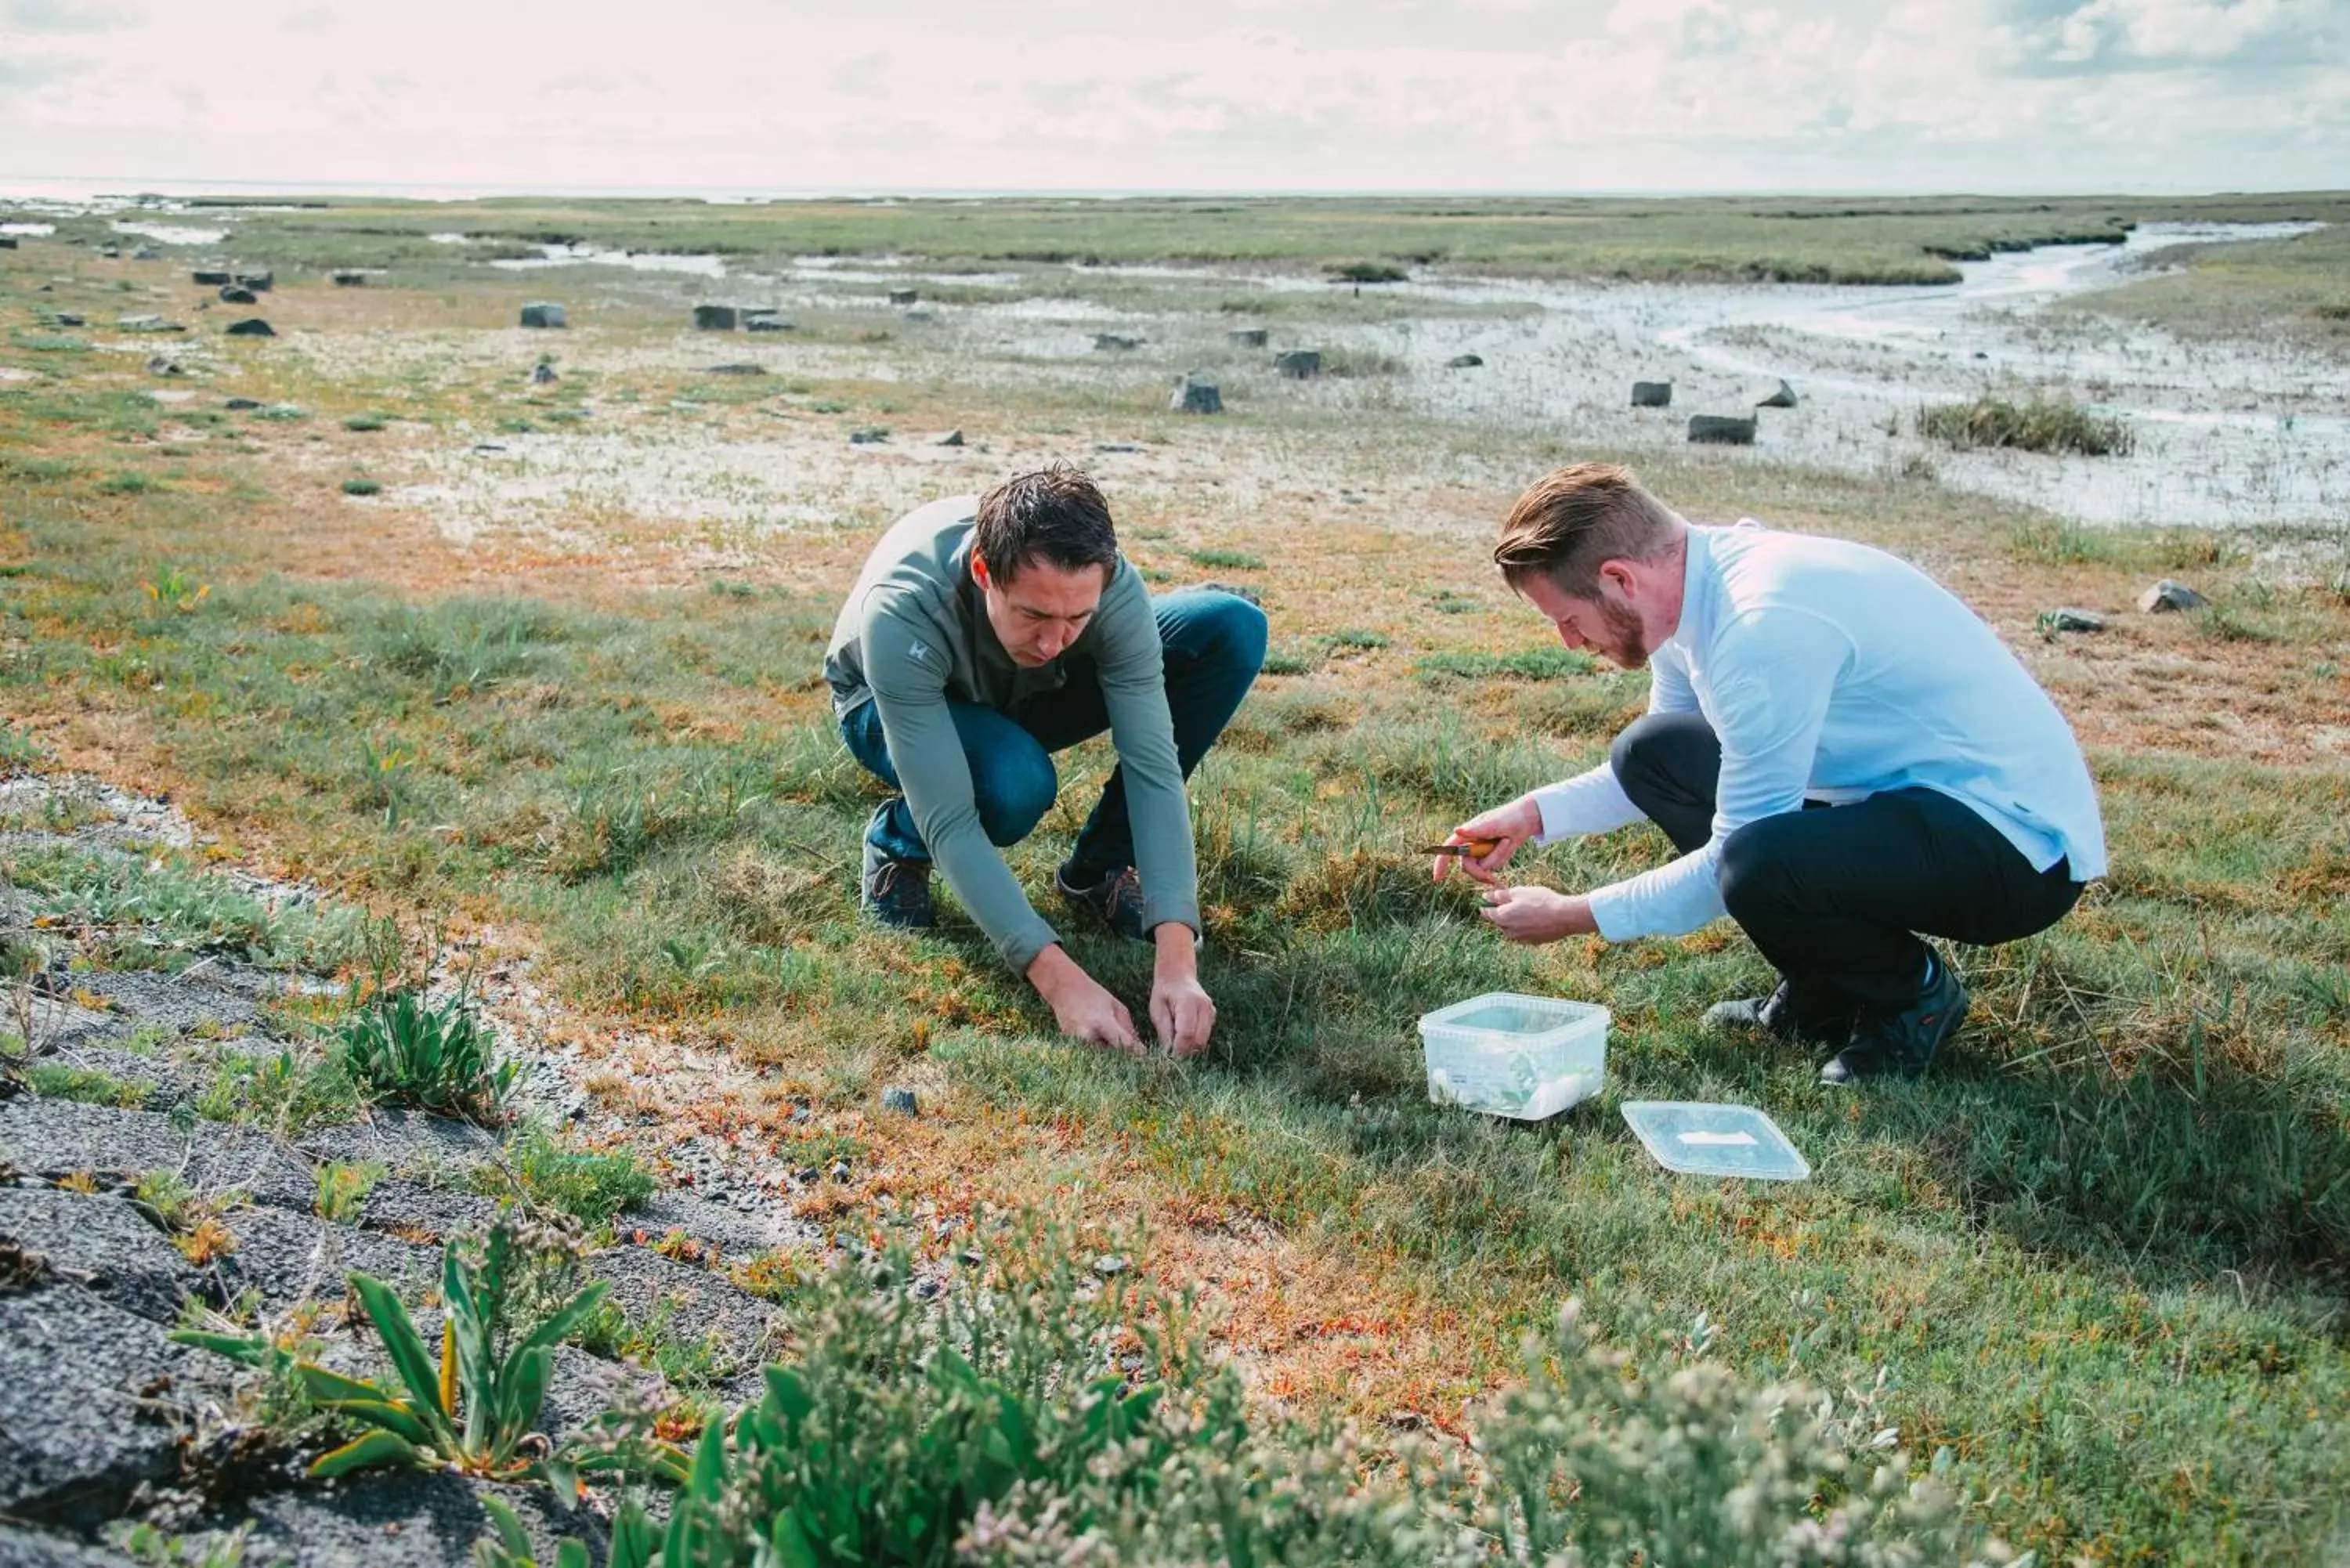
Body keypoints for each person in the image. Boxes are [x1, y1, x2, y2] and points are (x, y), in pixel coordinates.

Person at [1436, 463, 2105, 1083]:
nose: (1570, 643)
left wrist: (1576, 915)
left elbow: (1733, 859)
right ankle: (1825, 990)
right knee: (1655, 752)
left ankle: (1912, 997)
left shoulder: (1760, 629)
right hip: (1912, 804)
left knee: (1759, 861)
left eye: (1568, 620)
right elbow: (1667, 771)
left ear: (1619, 579)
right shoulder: (1684, 594)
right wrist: (1531, 816)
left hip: (2017, 852)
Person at [825, 466, 1267, 1058]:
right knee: (1012, 784)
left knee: (1230, 627)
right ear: (985, 572)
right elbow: (953, 819)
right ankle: (897, 840)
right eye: (1034, 615)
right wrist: (1059, 980)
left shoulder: (1107, 589)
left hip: (1019, 689)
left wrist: (1177, 959)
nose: (1055, 641)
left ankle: (1098, 872)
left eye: (1077, 620)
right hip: (889, 700)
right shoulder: (903, 609)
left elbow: (1152, 768)